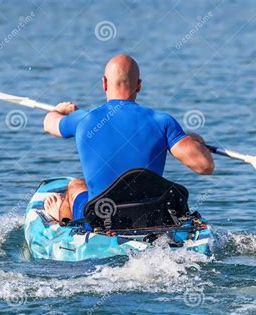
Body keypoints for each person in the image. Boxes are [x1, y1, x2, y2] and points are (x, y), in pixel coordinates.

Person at [43, 54, 214, 222]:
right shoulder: (162, 122)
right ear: (138, 85)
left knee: (76, 186)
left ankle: (62, 221)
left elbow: (49, 124)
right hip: (149, 218)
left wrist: (59, 110)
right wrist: (192, 142)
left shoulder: (83, 118)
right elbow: (205, 166)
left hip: (103, 218)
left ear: (104, 83)